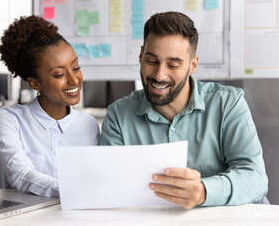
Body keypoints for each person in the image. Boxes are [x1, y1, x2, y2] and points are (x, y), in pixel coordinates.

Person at [99, 11, 268, 209]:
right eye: (152, 61)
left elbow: (255, 177)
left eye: (173, 65)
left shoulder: (228, 103)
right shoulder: (117, 117)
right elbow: (111, 190)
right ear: (141, 55)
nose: (160, 75)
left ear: (193, 65)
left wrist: (204, 192)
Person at [0, 16, 100, 197]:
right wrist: (73, 191)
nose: (74, 80)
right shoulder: (9, 118)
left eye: (75, 67)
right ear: (35, 84)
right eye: (59, 74)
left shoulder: (89, 124)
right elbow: (20, 175)